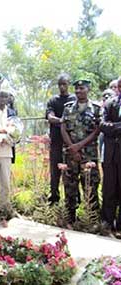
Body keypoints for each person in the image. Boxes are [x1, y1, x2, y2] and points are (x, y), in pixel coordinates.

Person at [61, 79, 101, 225]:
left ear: (88, 89)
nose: (78, 91)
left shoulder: (96, 108)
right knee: (70, 186)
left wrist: (79, 146)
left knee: (91, 186)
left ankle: (92, 220)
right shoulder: (68, 108)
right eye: (76, 89)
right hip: (70, 155)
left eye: (81, 88)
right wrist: (72, 147)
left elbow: (97, 130)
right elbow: (63, 128)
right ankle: (70, 218)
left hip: (89, 155)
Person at [45, 73, 76, 204]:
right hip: (56, 141)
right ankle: (54, 198)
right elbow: (50, 117)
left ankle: (73, 199)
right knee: (55, 170)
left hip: (71, 141)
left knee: (72, 171)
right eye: (60, 84)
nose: (62, 87)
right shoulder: (53, 100)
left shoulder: (74, 99)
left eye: (64, 84)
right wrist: (62, 121)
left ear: (69, 84)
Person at [100, 79, 121, 232]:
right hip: (110, 155)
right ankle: (107, 222)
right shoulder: (109, 103)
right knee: (108, 189)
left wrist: (112, 126)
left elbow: (108, 127)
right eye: (119, 86)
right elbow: (102, 125)